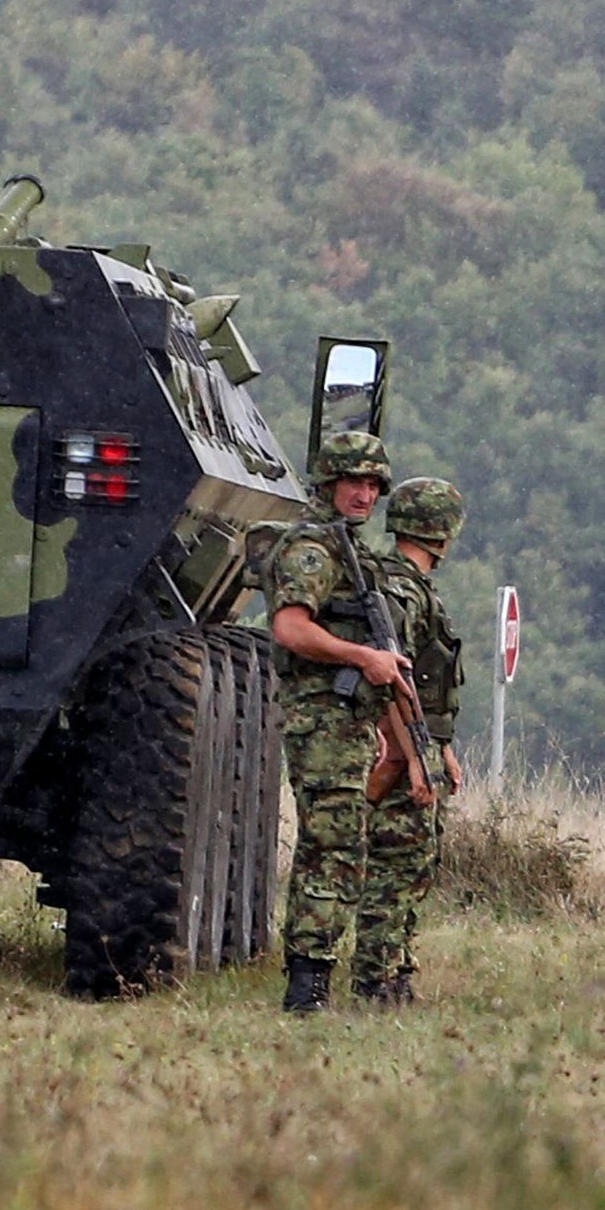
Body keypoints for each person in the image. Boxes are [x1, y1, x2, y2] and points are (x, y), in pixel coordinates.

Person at [267, 430, 414, 1013]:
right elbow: (290, 628)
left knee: (340, 847)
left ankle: (314, 979)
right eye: (355, 482)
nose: (366, 494)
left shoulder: (345, 549)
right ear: (329, 483)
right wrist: (362, 658)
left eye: (375, 485)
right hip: (320, 721)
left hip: (346, 721)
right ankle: (308, 987)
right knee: (332, 849)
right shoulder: (312, 551)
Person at [345, 475, 468, 1002]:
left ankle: (396, 972)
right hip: (400, 746)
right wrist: (415, 758)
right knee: (396, 866)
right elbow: (394, 681)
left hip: (419, 742)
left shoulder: (412, 590)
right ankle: (375, 979)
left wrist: (440, 749)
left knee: (416, 863)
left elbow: (427, 685)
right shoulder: (400, 591)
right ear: (442, 531)